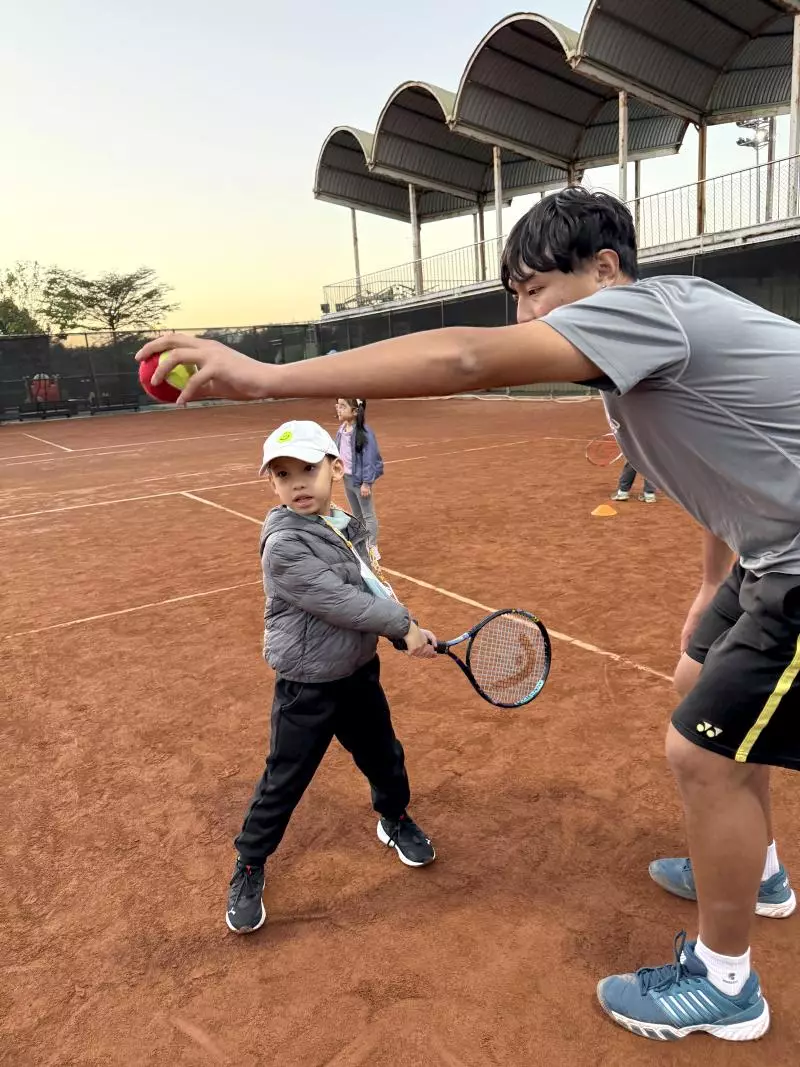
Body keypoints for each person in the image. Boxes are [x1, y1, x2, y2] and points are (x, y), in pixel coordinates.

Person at [137, 186, 800, 1042]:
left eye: (535, 290)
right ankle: (757, 872)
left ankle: (725, 984)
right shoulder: (642, 359)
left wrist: (266, 378)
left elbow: (465, 359)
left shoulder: (645, 312)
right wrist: (713, 584)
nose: (523, 315)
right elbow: (726, 464)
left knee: (700, 752)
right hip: (765, 551)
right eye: (514, 296)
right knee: (695, 680)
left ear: (606, 270)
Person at [226, 419, 437, 935]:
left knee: (384, 758)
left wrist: (401, 629)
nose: (297, 483)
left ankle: (394, 819)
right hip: (308, 685)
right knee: (285, 779)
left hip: (358, 673)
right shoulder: (283, 544)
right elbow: (339, 601)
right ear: (272, 484)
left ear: (336, 468)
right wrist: (402, 626)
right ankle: (250, 863)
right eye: (283, 475)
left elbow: (368, 585)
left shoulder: (340, 524)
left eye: (308, 469)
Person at [335, 398, 383, 555]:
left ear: (355, 411)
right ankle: (363, 544)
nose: (338, 409)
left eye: (343, 406)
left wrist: (367, 483)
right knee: (357, 515)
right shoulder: (342, 430)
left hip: (360, 481)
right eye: (338, 405)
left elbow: (370, 459)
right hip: (347, 479)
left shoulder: (364, 433)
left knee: (368, 515)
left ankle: (372, 547)